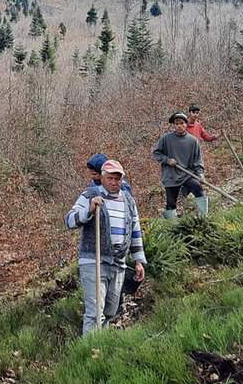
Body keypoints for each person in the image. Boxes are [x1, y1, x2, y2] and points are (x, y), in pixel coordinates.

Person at [64, 160, 147, 335]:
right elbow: (69, 220)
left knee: (110, 311)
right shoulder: (90, 195)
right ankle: (89, 353)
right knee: (95, 314)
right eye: (110, 178)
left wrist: (139, 260)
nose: (114, 182)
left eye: (117, 178)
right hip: (94, 261)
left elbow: (135, 230)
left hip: (118, 264)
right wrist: (89, 210)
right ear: (102, 177)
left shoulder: (128, 200)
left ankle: (100, 347)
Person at [153, 111, 208, 218]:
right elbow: (156, 153)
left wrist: (200, 174)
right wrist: (167, 160)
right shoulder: (166, 138)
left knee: (198, 189)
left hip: (187, 174)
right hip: (170, 176)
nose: (179, 126)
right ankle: (172, 226)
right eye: (177, 123)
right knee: (171, 203)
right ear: (174, 125)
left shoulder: (193, 141)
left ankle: (204, 218)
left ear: (186, 124)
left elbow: (198, 161)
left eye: (182, 123)